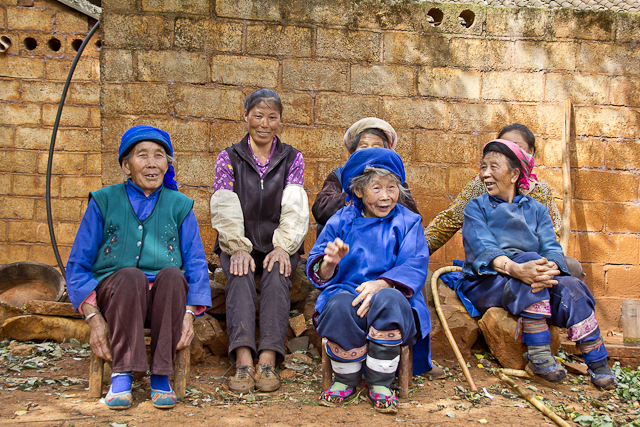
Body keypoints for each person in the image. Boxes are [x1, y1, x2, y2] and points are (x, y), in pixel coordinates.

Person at [66, 125, 211, 410]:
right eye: (142, 155)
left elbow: (195, 262)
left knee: (171, 275)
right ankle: (123, 372)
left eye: (159, 156)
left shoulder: (180, 206)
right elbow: (78, 263)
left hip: (166, 300)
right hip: (116, 295)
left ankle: (160, 374)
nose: (152, 163)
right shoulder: (103, 201)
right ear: (126, 165)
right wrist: (93, 318)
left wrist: (189, 314)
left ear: (167, 164)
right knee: (130, 277)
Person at [458, 139, 616, 389]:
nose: (485, 173)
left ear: (515, 174)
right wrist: (518, 269)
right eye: (483, 166)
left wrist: (548, 268)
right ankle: (539, 355)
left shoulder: (538, 210)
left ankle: (597, 363)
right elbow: (483, 247)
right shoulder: (476, 207)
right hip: (491, 281)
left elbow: (551, 249)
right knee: (530, 263)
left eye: (493, 167)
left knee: (573, 286)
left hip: (535, 278)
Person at [307, 148, 430, 413]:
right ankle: (345, 380)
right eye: (377, 188)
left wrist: (383, 284)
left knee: (389, 301)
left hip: (395, 296)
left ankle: (380, 383)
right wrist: (329, 263)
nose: (386, 196)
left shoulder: (409, 222)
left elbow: (415, 263)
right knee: (339, 304)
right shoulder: (341, 220)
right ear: (359, 191)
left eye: (392, 187)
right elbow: (319, 269)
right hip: (348, 294)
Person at [210, 89, 309, 394]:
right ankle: (242, 359)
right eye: (258, 116)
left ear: (280, 121)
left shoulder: (292, 157)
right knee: (238, 275)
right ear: (246, 117)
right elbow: (225, 204)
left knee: (278, 274)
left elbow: (294, 206)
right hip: (240, 240)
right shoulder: (229, 157)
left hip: (280, 241)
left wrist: (283, 246)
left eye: (272, 117)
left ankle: (267, 358)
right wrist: (237, 247)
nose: (264, 123)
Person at [425, 124, 584, 281]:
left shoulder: (541, 191)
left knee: (572, 268)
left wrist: (548, 263)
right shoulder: (481, 185)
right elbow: (450, 219)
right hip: (497, 259)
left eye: (515, 146)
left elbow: (553, 233)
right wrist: (417, 250)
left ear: (530, 152)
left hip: (535, 259)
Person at [311, 117, 419, 237]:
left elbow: (410, 214)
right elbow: (321, 210)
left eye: (376, 147)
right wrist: (359, 195)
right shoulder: (339, 175)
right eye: (363, 146)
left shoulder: (393, 177)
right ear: (353, 152)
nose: (369, 152)